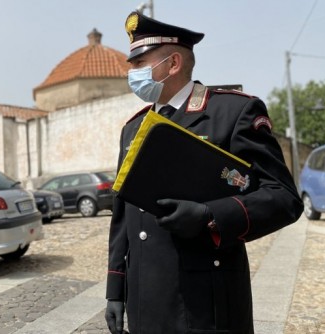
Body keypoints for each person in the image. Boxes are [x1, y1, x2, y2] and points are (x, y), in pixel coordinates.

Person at [104, 12, 303, 334]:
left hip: (205, 299)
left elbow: (282, 197)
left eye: (140, 63)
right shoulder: (133, 128)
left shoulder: (232, 112)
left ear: (173, 63)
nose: (132, 73)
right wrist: (116, 289)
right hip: (145, 298)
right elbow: (123, 214)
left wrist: (210, 215)